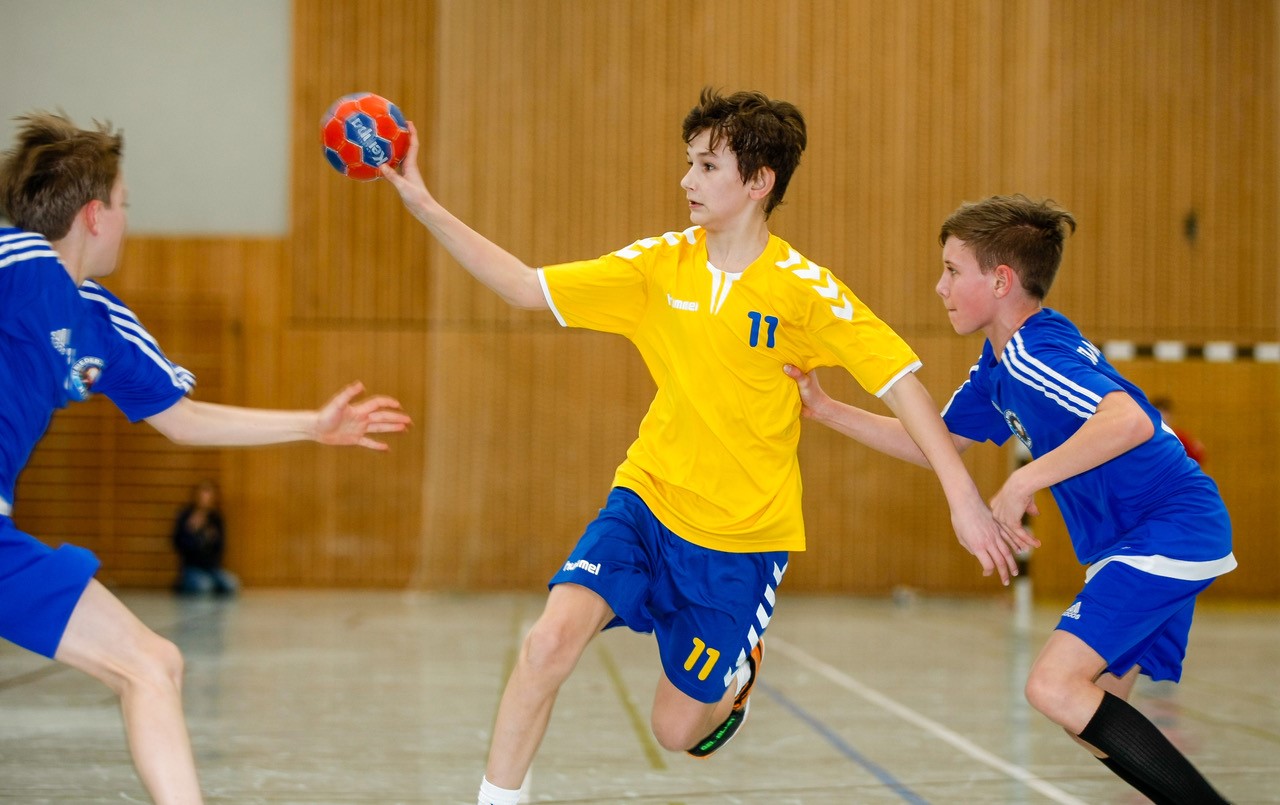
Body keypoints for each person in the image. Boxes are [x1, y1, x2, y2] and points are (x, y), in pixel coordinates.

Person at [379, 88, 1032, 805]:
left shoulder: (804, 291)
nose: (686, 179)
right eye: (689, 161)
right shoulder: (658, 265)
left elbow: (902, 385)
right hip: (647, 500)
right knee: (546, 645)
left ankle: (736, 678)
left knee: (675, 730)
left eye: (707, 165)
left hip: (740, 541)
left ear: (759, 182)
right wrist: (423, 204)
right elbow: (526, 288)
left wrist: (963, 500)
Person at [0, 111, 412, 804]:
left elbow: (183, 420)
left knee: (152, 663)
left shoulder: (97, 320)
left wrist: (311, 427)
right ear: (96, 215)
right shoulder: (18, 260)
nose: (128, 221)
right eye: (125, 205)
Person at [785, 194, 1235, 804]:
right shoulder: (1000, 363)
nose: (939, 286)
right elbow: (936, 444)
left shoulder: (1033, 355)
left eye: (952, 270)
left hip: (1168, 529)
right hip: (1136, 541)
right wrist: (826, 409)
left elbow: (1130, 419)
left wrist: (1023, 481)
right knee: (1088, 712)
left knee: (1053, 687)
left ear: (1001, 281)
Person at [171, 480, 238, 596]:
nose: (205, 498)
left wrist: (211, 538)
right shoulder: (187, 516)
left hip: (211, 568)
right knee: (204, 586)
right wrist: (191, 531)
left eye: (208, 494)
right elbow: (178, 543)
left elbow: (221, 547)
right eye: (202, 494)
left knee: (232, 584)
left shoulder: (215, 519)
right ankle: (184, 584)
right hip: (192, 567)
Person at [1151, 396, 1207, 465]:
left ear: (1171, 417)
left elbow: (1197, 456)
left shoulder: (1179, 437)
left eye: (1165, 416)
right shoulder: (1146, 439)